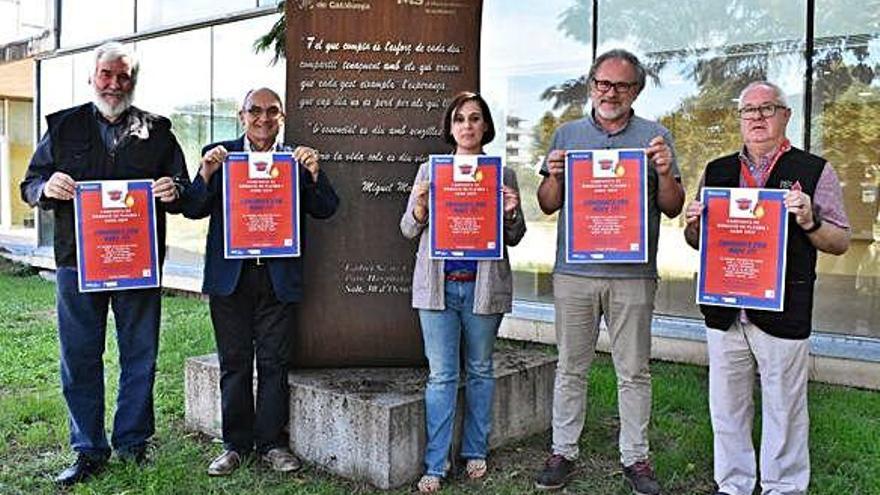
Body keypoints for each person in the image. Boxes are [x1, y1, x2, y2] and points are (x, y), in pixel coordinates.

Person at [19, 41, 191, 486]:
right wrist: (45, 188)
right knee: (79, 357)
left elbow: (184, 188)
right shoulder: (63, 127)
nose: (114, 84)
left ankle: (133, 443)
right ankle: (87, 449)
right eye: (106, 75)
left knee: (140, 355)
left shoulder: (158, 131)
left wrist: (173, 190)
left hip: (138, 264)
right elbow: (30, 184)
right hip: (77, 263)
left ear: (133, 81)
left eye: (123, 76)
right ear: (92, 76)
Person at [683, 81, 850, 495]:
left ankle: (784, 486)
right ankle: (734, 484)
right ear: (739, 119)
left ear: (785, 115)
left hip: (783, 308)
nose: (757, 117)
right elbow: (696, 241)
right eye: (749, 110)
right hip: (724, 310)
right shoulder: (717, 169)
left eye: (767, 108)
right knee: (726, 408)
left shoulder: (814, 170)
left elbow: (840, 241)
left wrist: (809, 219)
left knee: (785, 407)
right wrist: (693, 224)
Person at [533, 49, 685, 494]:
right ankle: (562, 450)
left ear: (635, 90)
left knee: (633, 370)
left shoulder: (656, 136)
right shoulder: (567, 133)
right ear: (591, 86)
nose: (610, 92)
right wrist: (555, 176)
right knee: (570, 367)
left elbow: (673, 207)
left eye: (620, 85)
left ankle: (636, 458)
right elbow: (546, 203)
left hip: (632, 274)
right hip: (575, 271)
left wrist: (665, 173)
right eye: (603, 83)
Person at [183, 87, 339, 476]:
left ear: (281, 116)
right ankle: (235, 446)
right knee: (234, 363)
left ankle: (272, 443)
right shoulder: (220, 154)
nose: (263, 119)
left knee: (274, 363)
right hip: (230, 279)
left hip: (277, 278)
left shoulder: (295, 159)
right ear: (242, 115)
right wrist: (205, 173)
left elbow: (327, 208)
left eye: (272, 112)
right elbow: (192, 208)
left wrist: (315, 174)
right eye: (255, 111)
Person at [400, 91, 526, 493]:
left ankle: (475, 450)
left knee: (481, 370)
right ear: (450, 127)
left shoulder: (501, 174)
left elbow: (515, 236)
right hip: (438, 290)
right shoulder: (429, 171)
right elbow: (407, 229)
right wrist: (420, 208)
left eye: (475, 119)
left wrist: (511, 212)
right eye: (459, 119)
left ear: (485, 126)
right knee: (441, 377)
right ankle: (435, 464)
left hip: (482, 290)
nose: (467, 126)